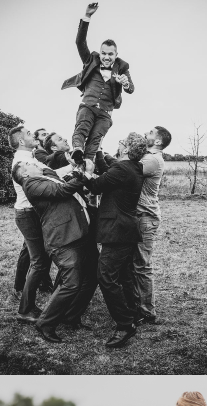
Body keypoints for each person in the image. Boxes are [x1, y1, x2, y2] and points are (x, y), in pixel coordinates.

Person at [13, 162, 92, 343]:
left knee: (90, 277)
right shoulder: (31, 184)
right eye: (27, 164)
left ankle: (70, 317)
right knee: (71, 283)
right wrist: (84, 174)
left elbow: (57, 176)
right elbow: (62, 191)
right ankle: (46, 323)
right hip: (63, 238)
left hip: (78, 232)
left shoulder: (45, 177)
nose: (32, 162)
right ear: (25, 174)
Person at [80, 132, 145, 348]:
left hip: (118, 231)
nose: (120, 143)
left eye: (123, 142)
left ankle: (125, 325)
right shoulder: (133, 167)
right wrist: (97, 150)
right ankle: (134, 314)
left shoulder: (122, 168)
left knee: (106, 276)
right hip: (126, 229)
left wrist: (86, 173)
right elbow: (109, 170)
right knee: (125, 275)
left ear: (126, 149)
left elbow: (96, 186)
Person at [62, 2, 134, 166]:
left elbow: (131, 90)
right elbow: (80, 42)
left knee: (95, 140)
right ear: (99, 53)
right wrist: (87, 16)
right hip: (88, 105)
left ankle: (87, 164)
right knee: (81, 129)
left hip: (105, 113)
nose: (106, 57)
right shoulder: (91, 60)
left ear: (116, 55)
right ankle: (77, 150)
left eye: (110, 54)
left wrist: (126, 83)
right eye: (103, 53)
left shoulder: (123, 67)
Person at [9, 125, 58, 322]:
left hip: (32, 213)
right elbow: (45, 180)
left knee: (37, 258)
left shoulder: (30, 157)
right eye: (29, 133)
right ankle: (25, 309)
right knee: (39, 261)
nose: (33, 135)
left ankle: (27, 300)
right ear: (21, 141)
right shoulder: (22, 161)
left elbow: (49, 171)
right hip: (27, 214)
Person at [133, 126, 171, 325]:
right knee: (135, 263)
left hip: (146, 217)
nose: (144, 134)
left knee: (142, 265)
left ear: (157, 141)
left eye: (149, 133)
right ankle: (137, 306)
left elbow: (128, 171)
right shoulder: (146, 156)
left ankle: (148, 311)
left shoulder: (152, 160)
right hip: (139, 215)